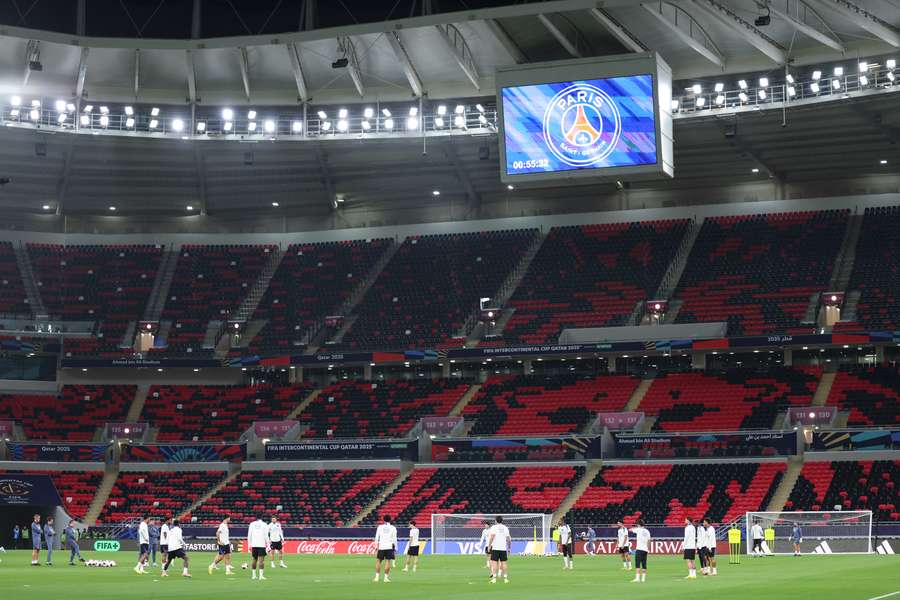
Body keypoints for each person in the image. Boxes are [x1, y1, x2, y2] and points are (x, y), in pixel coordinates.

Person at [373, 515, 397, 583]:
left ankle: (376, 577)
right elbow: (394, 539)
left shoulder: (380, 527)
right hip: (389, 546)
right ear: (390, 520)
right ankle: (386, 578)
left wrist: (375, 547)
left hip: (381, 546)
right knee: (388, 561)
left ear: (383, 520)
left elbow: (377, 537)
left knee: (378, 561)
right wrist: (396, 548)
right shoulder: (393, 528)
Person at [487, 515, 511, 584]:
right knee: (504, 563)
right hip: (503, 548)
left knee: (494, 563)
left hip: (495, 548)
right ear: (502, 521)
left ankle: (494, 579)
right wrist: (509, 548)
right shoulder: (505, 528)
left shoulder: (494, 527)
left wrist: (489, 546)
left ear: (496, 521)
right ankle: (505, 579)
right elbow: (508, 539)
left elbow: (492, 537)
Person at [248, 515, 269, 581]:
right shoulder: (264, 524)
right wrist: (268, 544)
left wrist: (249, 545)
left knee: (254, 560)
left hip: (254, 544)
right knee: (261, 561)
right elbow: (266, 535)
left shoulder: (252, 524)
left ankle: (253, 576)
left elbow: (249, 535)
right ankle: (261, 576)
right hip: (261, 544)